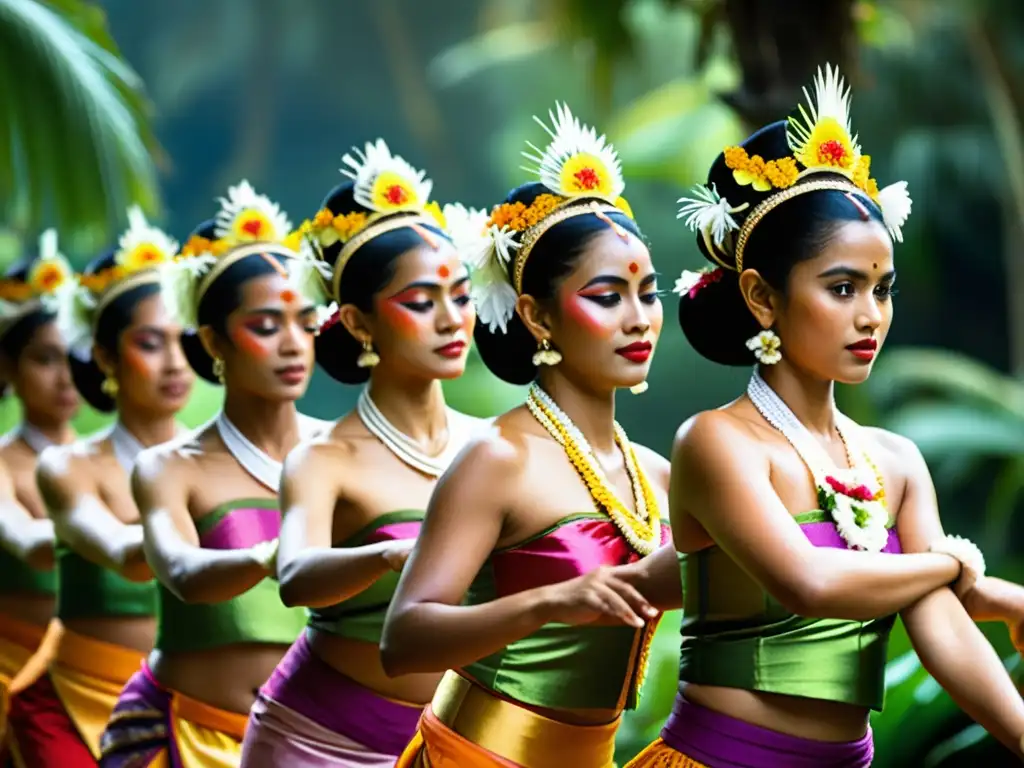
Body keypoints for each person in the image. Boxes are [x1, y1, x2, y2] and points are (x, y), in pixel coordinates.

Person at [627, 65, 1024, 767]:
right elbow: (808, 583)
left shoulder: (895, 461)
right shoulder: (718, 443)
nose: (870, 315)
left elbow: (938, 622)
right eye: (841, 288)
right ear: (761, 296)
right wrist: (955, 566)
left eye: (882, 288)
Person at [382, 104, 679, 768]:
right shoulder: (499, 458)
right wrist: (549, 601)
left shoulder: (655, 475)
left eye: (649, 293)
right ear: (537, 315)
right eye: (607, 296)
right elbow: (403, 640)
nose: (639, 320)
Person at [239, 141, 486, 767]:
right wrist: (387, 553)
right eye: (421, 302)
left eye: (460, 296)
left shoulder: (492, 446)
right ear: (357, 322)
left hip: (459, 741)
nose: (451, 319)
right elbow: (295, 578)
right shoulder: (323, 458)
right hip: (316, 739)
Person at [97, 182, 332, 768]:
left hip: (321, 742)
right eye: (265, 325)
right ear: (212, 341)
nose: (293, 345)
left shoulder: (343, 452)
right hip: (184, 733)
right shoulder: (170, 467)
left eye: (305, 322)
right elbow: (179, 570)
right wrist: (273, 558)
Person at [7, 208, 194, 765]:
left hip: (184, 695)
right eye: (151, 343)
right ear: (108, 357)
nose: (175, 362)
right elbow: (38, 544)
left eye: (184, 340)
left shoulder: (218, 461)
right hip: (66, 690)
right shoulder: (66, 467)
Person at [0, 231, 79, 758]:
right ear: (9, 368)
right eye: (45, 359)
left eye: (75, 356)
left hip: (100, 663)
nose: (65, 376)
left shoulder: (116, 462)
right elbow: (27, 540)